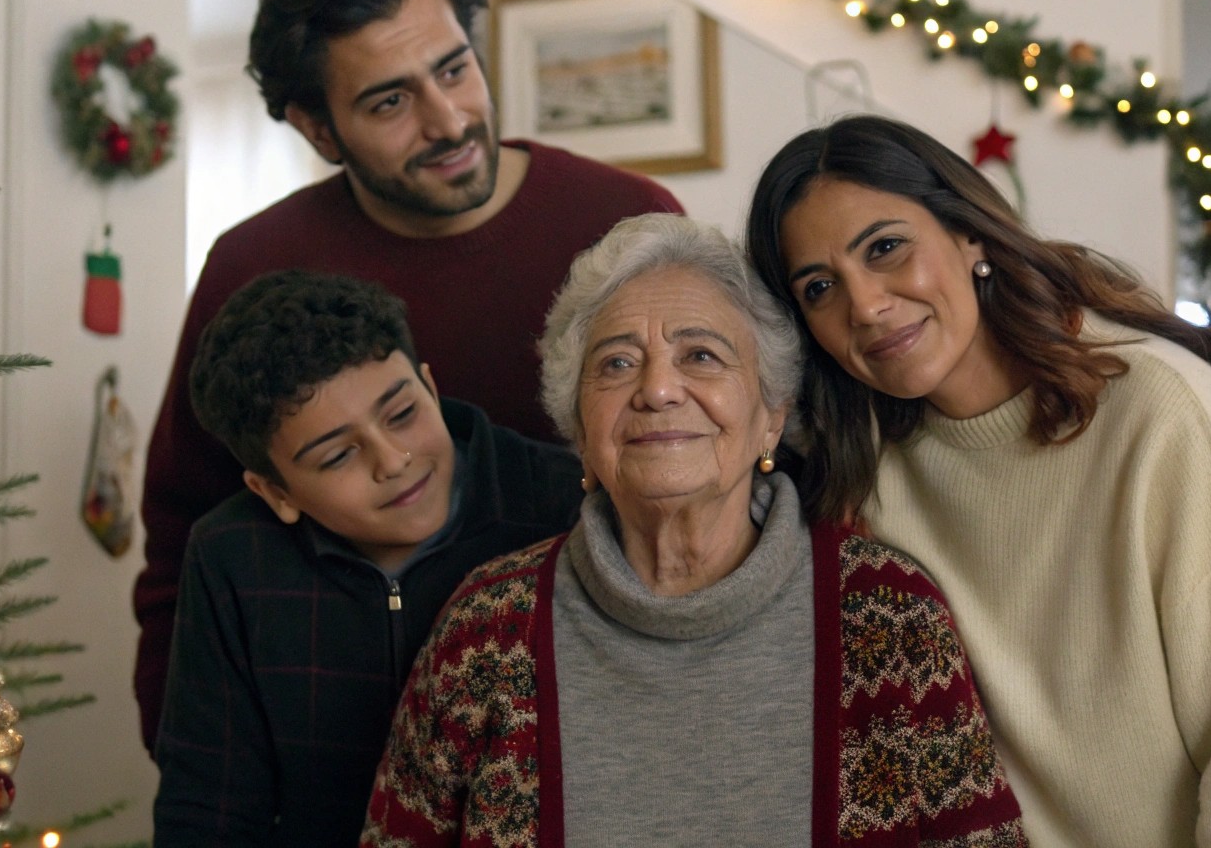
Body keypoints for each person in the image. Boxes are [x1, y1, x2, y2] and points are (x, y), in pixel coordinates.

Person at [132, 0, 683, 748]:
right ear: (319, 130)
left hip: (595, 727)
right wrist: (190, 749)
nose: (449, 120)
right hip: (334, 750)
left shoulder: (626, 223)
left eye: (455, 70)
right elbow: (186, 533)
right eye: (390, 100)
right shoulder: (256, 265)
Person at [744, 114, 1211, 846]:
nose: (866, 306)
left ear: (968, 233)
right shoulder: (860, 468)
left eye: (886, 248)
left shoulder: (1168, 419)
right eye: (819, 287)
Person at [361, 215, 1026, 847]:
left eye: (701, 355)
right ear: (581, 432)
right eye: (617, 364)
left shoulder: (887, 612)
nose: (658, 390)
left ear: (770, 416)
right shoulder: (485, 633)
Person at [152, 270, 582, 846]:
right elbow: (209, 807)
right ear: (275, 493)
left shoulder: (563, 504)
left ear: (429, 386)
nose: (393, 461)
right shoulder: (232, 557)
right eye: (336, 456)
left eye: (402, 413)